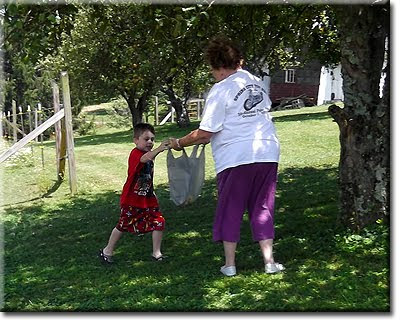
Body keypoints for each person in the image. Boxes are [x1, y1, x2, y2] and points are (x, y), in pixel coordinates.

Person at [169, 35, 285, 276]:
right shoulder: (255, 81)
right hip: (267, 151)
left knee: (231, 207)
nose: (213, 74)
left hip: (235, 157)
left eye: (213, 70)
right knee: (263, 206)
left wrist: (179, 142)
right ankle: (269, 262)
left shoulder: (221, 89)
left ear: (219, 67)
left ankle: (230, 265)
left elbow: (205, 132)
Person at [99, 123, 170, 264]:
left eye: (152, 139)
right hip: (131, 199)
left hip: (147, 198)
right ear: (136, 140)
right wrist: (160, 148)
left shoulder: (148, 155)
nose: (150, 142)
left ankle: (156, 253)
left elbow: (148, 175)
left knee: (159, 222)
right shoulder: (136, 154)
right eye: (146, 139)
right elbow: (145, 159)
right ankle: (107, 251)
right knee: (123, 225)